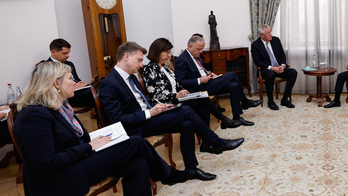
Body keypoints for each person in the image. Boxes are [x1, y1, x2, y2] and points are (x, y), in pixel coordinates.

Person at [13, 61, 196, 196]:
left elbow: (74, 140)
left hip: (77, 161)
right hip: (60, 176)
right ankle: (168, 175)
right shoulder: (33, 116)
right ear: (56, 83)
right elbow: (46, 162)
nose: (75, 82)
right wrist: (89, 146)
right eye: (70, 79)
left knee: (137, 162)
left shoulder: (60, 107)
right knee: (136, 143)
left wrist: (95, 141)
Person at [99, 42, 244, 182]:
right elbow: (116, 120)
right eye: (139, 60)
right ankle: (216, 142)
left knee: (187, 124)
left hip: (149, 116)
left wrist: (157, 109)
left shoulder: (130, 76)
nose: (141, 65)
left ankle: (192, 169)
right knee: (186, 110)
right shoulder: (109, 84)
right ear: (126, 57)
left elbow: (141, 101)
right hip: (137, 126)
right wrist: (149, 113)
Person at [142, 38, 241, 129]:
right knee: (204, 99)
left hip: (178, 98)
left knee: (204, 105)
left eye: (170, 52)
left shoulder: (164, 67)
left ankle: (209, 137)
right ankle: (223, 120)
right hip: (168, 103)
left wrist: (183, 91)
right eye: (167, 52)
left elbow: (177, 83)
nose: (169, 56)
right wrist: (176, 95)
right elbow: (155, 96)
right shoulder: (150, 69)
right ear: (157, 51)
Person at [174, 35, 259, 126]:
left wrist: (209, 74)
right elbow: (181, 82)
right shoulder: (182, 59)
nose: (201, 51)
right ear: (190, 46)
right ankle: (245, 102)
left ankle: (237, 117)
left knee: (234, 86)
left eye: (202, 49)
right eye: (199, 49)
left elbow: (200, 71)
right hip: (199, 89)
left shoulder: (196, 55)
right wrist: (199, 80)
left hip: (207, 83)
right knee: (232, 75)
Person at [251, 25, 298, 110]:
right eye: (268, 33)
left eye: (270, 32)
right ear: (262, 35)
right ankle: (270, 101)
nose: (271, 34)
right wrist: (272, 68)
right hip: (266, 69)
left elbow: (282, 55)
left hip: (279, 67)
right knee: (270, 74)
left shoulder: (276, 40)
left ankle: (285, 99)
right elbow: (257, 61)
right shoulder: (255, 45)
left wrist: (283, 65)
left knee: (293, 72)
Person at [48, 38, 95, 110]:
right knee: (95, 93)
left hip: (78, 93)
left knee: (99, 89)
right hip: (65, 97)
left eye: (68, 53)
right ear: (53, 52)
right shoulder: (46, 67)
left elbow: (77, 80)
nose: (68, 55)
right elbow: (50, 89)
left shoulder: (69, 64)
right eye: (64, 53)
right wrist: (73, 87)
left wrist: (82, 84)